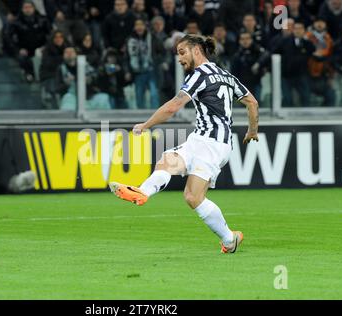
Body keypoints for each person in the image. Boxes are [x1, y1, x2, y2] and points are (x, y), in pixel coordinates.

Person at [109, 34, 259, 254]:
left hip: (214, 143)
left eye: (182, 52)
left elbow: (173, 106)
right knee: (167, 161)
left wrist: (146, 124)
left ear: (196, 50)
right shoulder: (226, 75)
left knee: (192, 197)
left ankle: (229, 239)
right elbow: (252, 102)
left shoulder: (199, 75)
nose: (179, 59)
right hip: (201, 139)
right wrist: (252, 130)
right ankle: (142, 192)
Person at [4, 0, 50, 82]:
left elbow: (50, 35)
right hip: (24, 48)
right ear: (22, 9)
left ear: (34, 8)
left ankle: (42, 76)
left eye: (29, 7)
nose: (28, 9)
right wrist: (18, 49)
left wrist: (45, 47)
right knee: (22, 57)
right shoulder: (16, 22)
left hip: (41, 47)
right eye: (25, 7)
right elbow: (9, 38)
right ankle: (29, 74)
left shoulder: (43, 20)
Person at [126, 18, 164, 109]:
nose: (139, 27)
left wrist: (157, 61)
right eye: (137, 25)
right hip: (138, 72)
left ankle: (156, 115)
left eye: (141, 25)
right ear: (134, 27)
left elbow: (162, 51)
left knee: (154, 93)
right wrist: (127, 71)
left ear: (145, 27)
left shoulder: (153, 37)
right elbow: (126, 57)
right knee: (139, 95)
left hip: (151, 70)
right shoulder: (130, 40)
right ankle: (141, 117)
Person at [306, 18, 335, 106]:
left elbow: (331, 57)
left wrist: (331, 76)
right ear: (314, 24)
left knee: (330, 96)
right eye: (317, 22)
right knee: (307, 98)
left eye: (322, 22)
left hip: (323, 74)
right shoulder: (307, 37)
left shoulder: (329, 39)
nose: (319, 24)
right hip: (308, 73)